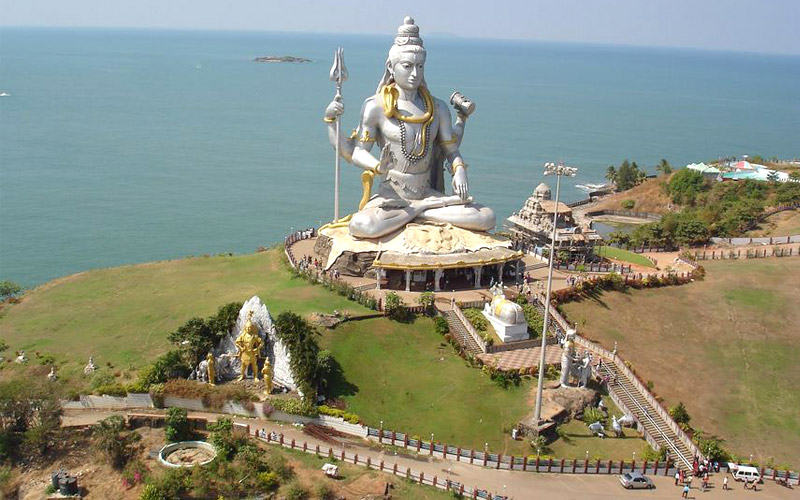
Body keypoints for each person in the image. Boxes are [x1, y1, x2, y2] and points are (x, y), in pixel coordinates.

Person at [323, 17, 496, 239]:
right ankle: (419, 212)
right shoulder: (375, 106)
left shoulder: (437, 108)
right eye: (407, 66)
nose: (415, 73)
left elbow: (451, 149)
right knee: (362, 224)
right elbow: (354, 150)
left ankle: (418, 211)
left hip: (428, 194)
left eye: (420, 66)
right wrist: (377, 165)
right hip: (392, 197)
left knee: (486, 217)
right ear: (391, 67)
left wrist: (459, 170)